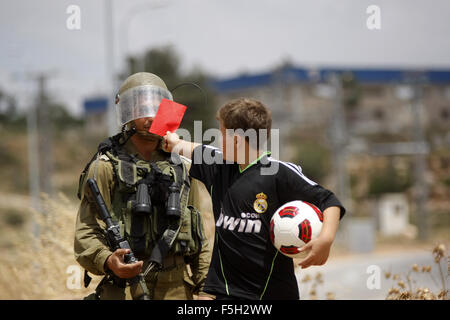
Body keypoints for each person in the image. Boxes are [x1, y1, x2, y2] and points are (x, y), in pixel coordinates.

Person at [163, 97, 346, 300]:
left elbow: (329, 200)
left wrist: (326, 239)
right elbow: (179, 144)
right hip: (225, 293)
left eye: (222, 133)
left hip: (271, 294)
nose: (218, 139)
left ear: (236, 140)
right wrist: (168, 115)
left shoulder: (278, 173)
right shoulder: (217, 166)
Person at [74, 72, 213, 300]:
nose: (149, 115)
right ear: (128, 112)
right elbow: (86, 231)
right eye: (141, 107)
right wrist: (109, 261)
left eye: (156, 107)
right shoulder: (105, 167)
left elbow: (199, 232)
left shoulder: (182, 165)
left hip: (177, 288)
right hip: (125, 287)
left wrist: (206, 289)